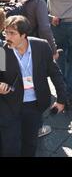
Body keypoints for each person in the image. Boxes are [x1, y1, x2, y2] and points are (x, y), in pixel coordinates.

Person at [0, 15, 66, 157]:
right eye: (6, 32)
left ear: (24, 35)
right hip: (9, 105)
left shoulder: (41, 46)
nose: (7, 37)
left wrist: (61, 99)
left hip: (34, 105)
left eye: (12, 33)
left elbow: (55, 73)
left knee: (30, 143)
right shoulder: (2, 51)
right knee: (9, 146)